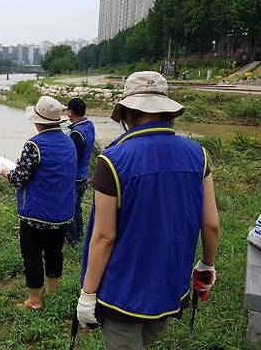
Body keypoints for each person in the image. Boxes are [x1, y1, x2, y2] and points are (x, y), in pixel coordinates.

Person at [75, 72, 220, 349]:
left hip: (122, 292)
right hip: (170, 285)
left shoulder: (112, 160)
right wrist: (206, 265)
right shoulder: (198, 154)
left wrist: (88, 294)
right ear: (167, 112)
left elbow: (104, 237)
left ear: (127, 113)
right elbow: (211, 224)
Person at [0, 96, 77, 309]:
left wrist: (4, 170)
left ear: (38, 122)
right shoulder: (69, 141)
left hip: (36, 214)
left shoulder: (34, 144)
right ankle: (52, 292)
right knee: (54, 251)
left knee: (32, 255)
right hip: (62, 212)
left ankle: (34, 300)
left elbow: (19, 178)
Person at [66, 98, 96, 244]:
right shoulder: (89, 125)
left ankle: (72, 240)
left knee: (69, 210)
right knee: (77, 208)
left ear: (70, 111)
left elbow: (72, 159)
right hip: (84, 176)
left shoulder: (76, 134)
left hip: (75, 179)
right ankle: (79, 236)